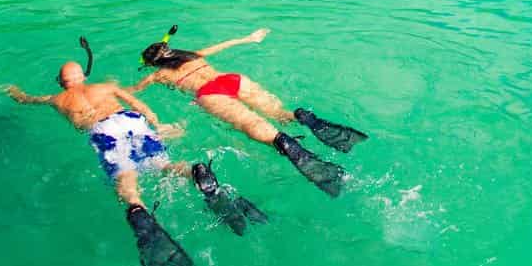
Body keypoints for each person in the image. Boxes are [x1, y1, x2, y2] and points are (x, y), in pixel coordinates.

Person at [0, 60, 264, 266]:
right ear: (83, 76)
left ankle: (138, 210)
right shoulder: (105, 87)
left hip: (103, 132)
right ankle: (192, 172)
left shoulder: (56, 99)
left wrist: (13, 91)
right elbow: (137, 103)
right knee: (163, 165)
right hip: (131, 120)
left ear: (61, 81)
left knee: (126, 179)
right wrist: (158, 124)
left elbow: (27, 99)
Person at [133, 29, 367, 197]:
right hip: (231, 80)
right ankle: (300, 116)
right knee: (280, 114)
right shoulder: (194, 56)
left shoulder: (159, 75)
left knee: (255, 125)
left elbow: (132, 92)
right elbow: (223, 44)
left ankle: (283, 143)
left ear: (154, 63)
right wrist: (250, 38)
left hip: (210, 94)